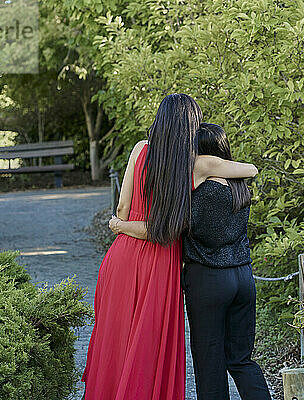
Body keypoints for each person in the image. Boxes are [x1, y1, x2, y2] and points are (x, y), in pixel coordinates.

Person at [82, 94, 257, 400]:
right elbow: (248, 170)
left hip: (123, 253)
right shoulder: (194, 165)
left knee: (116, 337)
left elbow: (122, 208)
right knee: (150, 343)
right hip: (161, 260)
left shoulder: (140, 149)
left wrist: (121, 225)